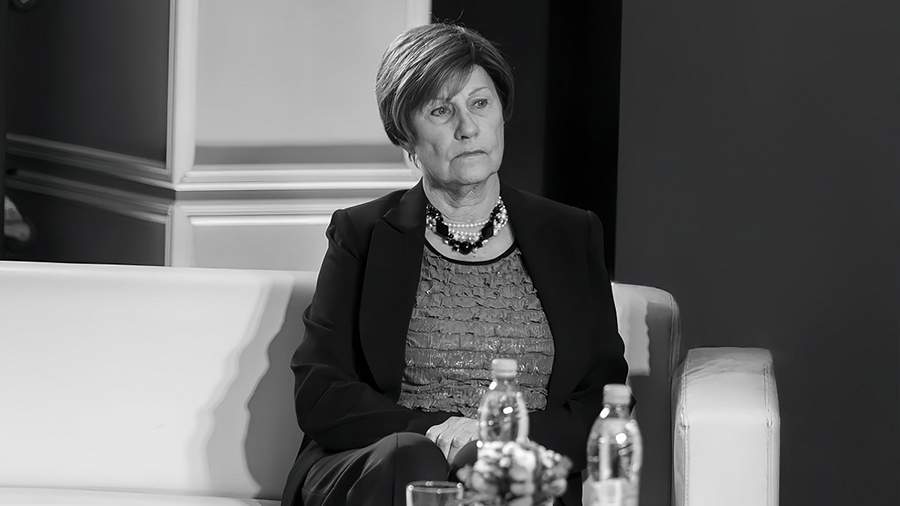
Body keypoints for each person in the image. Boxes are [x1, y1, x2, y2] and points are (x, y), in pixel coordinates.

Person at [281, 23, 628, 506]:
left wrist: (491, 441)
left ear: (502, 113)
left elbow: (600, 398)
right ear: (405, 134)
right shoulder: (362, 233)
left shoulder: (571, 234)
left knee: (491, 472)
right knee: (413, 460)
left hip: (512, 477)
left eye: (480, 103)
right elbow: (321, 391)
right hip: (385, 471)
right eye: (441, 111)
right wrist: (438, 432)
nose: (467, 127)